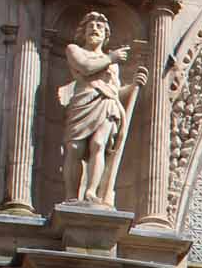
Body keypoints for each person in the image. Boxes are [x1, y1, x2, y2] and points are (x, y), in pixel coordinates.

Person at [58, 11, 144, 206]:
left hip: (106, 105)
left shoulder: (112, 64)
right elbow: (85, 67)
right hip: (83, 102)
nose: (95, 29)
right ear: (83, 32)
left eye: (99, 27)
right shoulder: (75, 50)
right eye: (90, 26)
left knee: (99, 145)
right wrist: (111, 58)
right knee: (74, 148)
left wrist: (133, 87)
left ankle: (91, 192)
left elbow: (114, 90)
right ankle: (71, 196)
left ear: (106, 35)